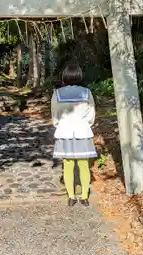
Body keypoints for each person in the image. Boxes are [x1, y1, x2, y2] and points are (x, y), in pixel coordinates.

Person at [51, 63, 97, 207]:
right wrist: (84, 124)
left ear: (65, 76)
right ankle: (84, 197)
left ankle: (71, 197)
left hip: (64, 132)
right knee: (84, 165)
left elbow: (55, 115)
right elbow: (91, 114)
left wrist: (60, 123)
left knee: (68, 165)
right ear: (79, 75)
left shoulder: (57, 93)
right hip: (83, 132)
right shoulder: (86, 92)